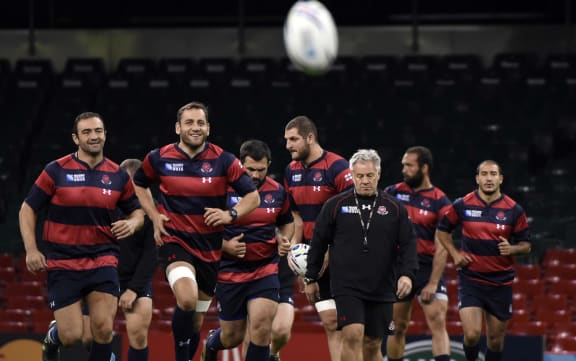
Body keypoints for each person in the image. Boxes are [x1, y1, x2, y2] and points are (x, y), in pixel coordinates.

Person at [132, 101, 260, 361]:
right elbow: (139, 184)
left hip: (210, 251)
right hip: (175, 241)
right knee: (187, 299)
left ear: (208, 128)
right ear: (178, 127)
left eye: (200, 123)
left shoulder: (224, 160)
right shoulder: (158, 157)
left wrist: (229, 214)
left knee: (195, 321)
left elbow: (253, 197)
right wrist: (154, 215)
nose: (195, 127)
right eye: (189, 122)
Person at [18, 112, 144, 361]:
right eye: (86, 132)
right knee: (72, 336)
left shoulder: (117, 175)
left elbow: (137, 211)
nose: (93, 136)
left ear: (105, 135)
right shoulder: (56, 170)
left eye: (98, 131)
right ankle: (54, 336)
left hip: (103, 259)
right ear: (76, 138)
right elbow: (27, 208)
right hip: (63, 262)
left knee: (103, 329)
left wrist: (133, 224)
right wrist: (32, 250)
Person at [304, 149, 419, 361]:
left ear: (379, 174)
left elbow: (409, 244)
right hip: (347, 285)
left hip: (382, 285)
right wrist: (311, 277)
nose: (364, 181)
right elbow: (318, 242)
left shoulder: (395, 208)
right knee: (352, 334)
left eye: (369, 176)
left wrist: (407, 274)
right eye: (359, 176)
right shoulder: (335, 205)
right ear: (352, 175)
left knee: (372, 343)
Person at [201, 139, 294, 361]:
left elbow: (287, 223)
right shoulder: (221, 189)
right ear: (240, 164)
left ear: (268, 165)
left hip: (265, 270)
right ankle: (212, 345)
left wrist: (284, 239)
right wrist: (225, 246)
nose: (254, 175)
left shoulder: (277, 192)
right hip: (229, 272)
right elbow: (201, 230)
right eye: (249, 169)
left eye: (260, 170)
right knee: (232, 336)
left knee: (261, 329)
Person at [436, 160, 531, 361]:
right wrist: (455, 254)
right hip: (471, 280)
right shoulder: (462, 204)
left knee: (495, 341)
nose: (489, 178)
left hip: (501, 283)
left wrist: (512, 248)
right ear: (477, 178)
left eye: (493, 174)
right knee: (471, 335)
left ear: (501, 179)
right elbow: (442, 230)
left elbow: (526, 245)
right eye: (484, 174)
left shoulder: (514, 210)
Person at [283, 115, 354, 361]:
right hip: (316, 258)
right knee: (330, 322)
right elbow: (297, 218)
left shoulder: (337, 167)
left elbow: (351, 216)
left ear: (310, 137)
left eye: (293, 139)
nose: (288, 145)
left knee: (355, 330)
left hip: (345, 256)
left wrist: (326, 252)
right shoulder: (290, 171)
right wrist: (296, 255)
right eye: (286, 140)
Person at [82, 158, 157, 361]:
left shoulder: (153, 213)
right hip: (102, 276)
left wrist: (133, 289)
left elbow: (152, 255)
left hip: (135, 280)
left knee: (139, 333)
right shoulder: (103, 207)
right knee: (90, 338)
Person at [385, 146, 452, 361]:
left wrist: (433, 282)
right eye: (403, 165)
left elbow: (442, 245)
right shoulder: (392, 193)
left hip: (427, 268)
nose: (404, 169)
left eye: (409, 165)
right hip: (398, 267)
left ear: (424, 168)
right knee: (397, 326)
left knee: (437, 319)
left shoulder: (440, 201)